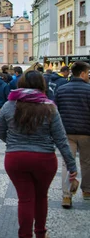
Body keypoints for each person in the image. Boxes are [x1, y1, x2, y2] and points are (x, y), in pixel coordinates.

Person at [0, 70, 77, 238]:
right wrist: (71, 165)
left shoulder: (9, 105)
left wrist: (13, 143)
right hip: (44, 159)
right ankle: (40, 233)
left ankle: (24, 235)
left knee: (24, 199)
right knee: (41, 197)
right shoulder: (49, 107)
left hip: (16, 158)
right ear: (42, 85)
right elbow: (61, 138)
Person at [54, 61, 90, 208]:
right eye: (88, 73)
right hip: (86, 133)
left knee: (66, 163)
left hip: (66, 132)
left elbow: (56, 112)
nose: (88, 76)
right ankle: (87, 191)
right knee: (86, 162)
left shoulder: (61, 90)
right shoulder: (89, 90)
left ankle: (66, 196)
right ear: (82, 73)